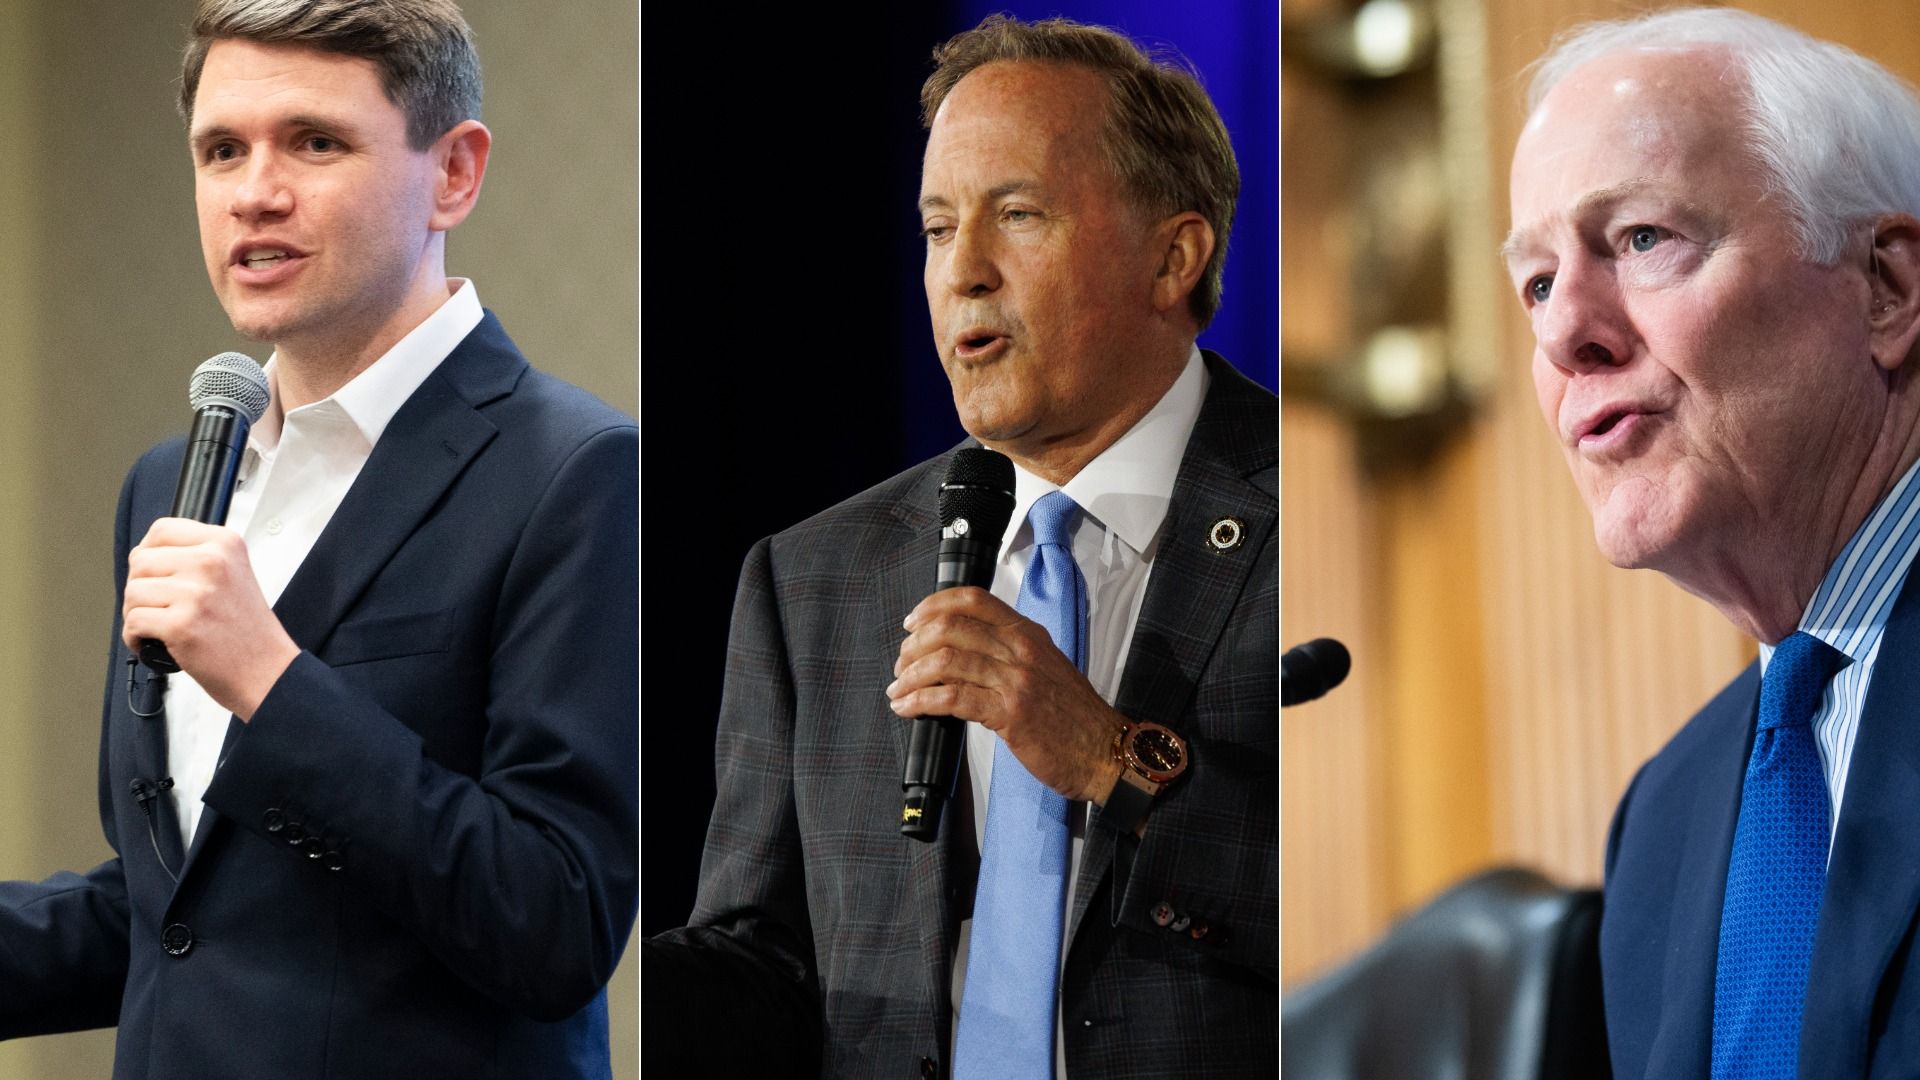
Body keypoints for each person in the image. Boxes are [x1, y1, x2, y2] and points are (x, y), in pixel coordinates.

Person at [0, 2, 637, 1077]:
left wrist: (272, 680)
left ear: (454, 174)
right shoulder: (166, 482)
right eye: (221, 150)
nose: (254, 192)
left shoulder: (580, 472)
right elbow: (189, 913)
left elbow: (556, 920)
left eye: (314, 141)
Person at [646, 14, 1276, 1079]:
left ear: (1173, 258)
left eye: (1018, 215)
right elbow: (762, 964)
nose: (963, 273)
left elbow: (1372, 901)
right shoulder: (813, 580)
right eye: (939, 229)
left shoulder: (1319, 514)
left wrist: (1108, 760)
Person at [1505, 7, 1920, 1076]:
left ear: (1888, 289)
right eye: (1538, 283)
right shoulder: (1664, 819)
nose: (1564, 332)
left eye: (1643, 239)